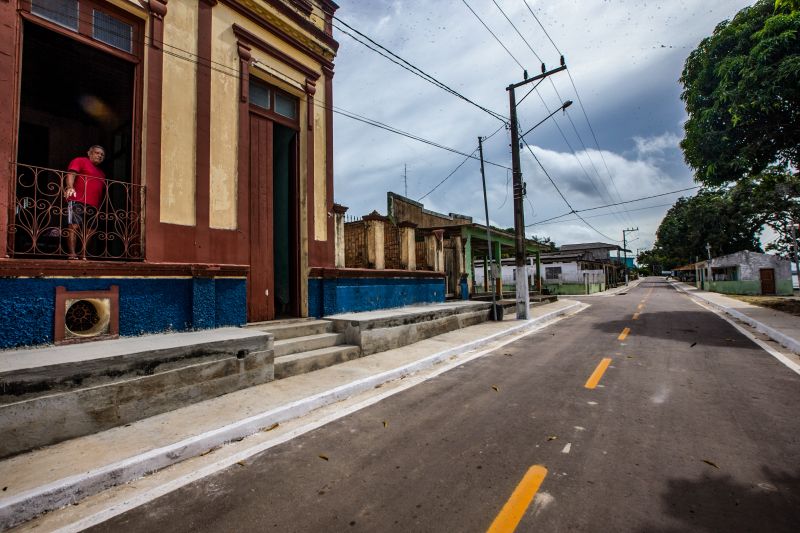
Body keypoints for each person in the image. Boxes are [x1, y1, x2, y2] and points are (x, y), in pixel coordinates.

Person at [63, 145, 106, 259]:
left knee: (90, 230)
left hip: (94, 205)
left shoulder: (101, 173)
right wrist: (70, 187)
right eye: (97, 153)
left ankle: (83, 253)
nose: (100, 156)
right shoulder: (80, 161)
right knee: (74, 226)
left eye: (102, 155)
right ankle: (72, 254)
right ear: (89, 153)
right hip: (78, 200)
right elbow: (71, 174)